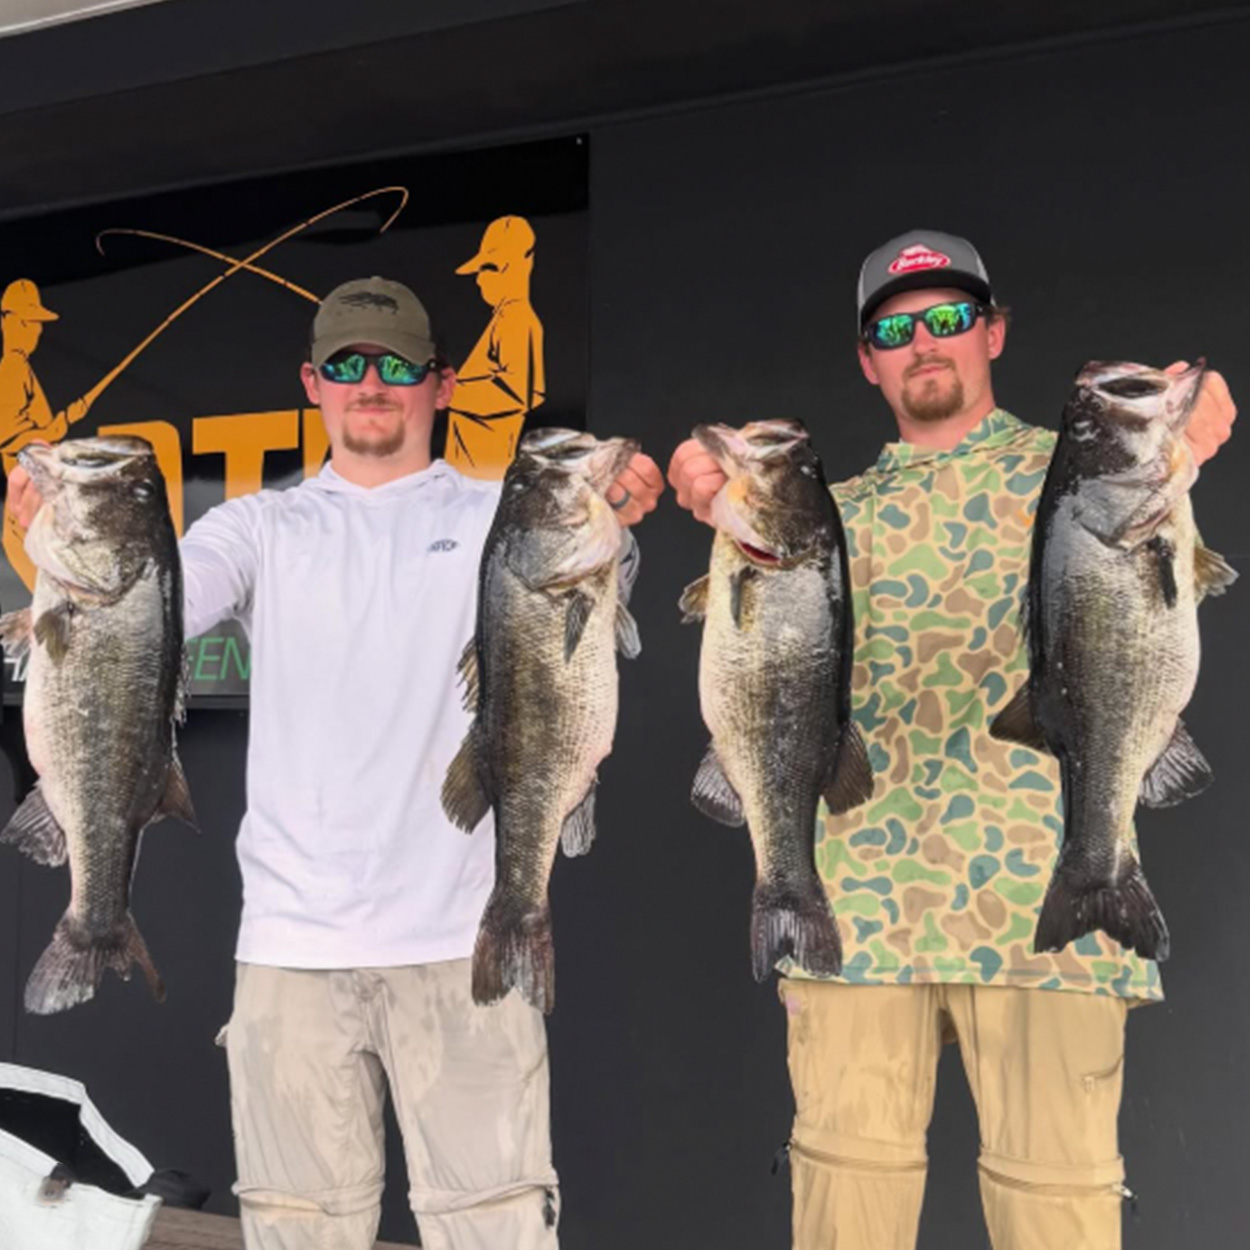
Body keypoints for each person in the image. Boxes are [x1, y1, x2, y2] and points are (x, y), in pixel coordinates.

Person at [8, 275, 664, 1250]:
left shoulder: (504, 515)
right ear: (311, 383)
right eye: (349, 364)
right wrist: (44, 542)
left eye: (396, 364)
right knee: (297, 1235)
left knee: (497, 1232)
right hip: (289, 952)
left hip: (463, 943)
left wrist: (622, 513)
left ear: (438, 385)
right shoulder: (257, 527)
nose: (372, 383)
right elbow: (146, 615)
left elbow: (583, 598)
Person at [667, 230, 1235, 1250]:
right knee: (845, 1222)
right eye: (894, 326)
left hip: (1047, 905)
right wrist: (710, 499)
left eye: (946, 317)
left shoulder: (1084, 472)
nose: (922, 340)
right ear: (866, 360)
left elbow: (1174, 572)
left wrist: (1186, 428)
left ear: (993, 332)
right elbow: (739, 643)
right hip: (853, 917)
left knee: (1058, 1220)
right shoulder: (817, 517)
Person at [0, 279, 94, 588]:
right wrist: (60, 423)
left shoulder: (22, 367)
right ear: (7, 321)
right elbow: (10, 435)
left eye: (38, 323)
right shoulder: (12, 367)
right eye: (29, 322)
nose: (37, 331)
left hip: (40, 522)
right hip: (26, 519)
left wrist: (65, 420)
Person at [445, 216, 546, 478]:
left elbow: (515, 393)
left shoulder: (516, 319)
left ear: (523, 264)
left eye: (490, 268)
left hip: (485, 477)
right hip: (470, 478)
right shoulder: (503, 319)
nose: (480, 280)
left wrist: (447, 392)